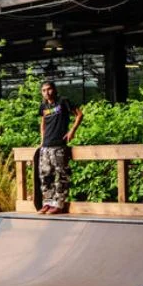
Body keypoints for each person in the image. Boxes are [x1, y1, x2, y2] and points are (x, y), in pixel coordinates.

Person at [38, 81, 83, 215]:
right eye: (44, 90)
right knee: (45, 176)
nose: (47, 92)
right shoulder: (43, 106)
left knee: (61, 175)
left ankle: (59, 204)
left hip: (59, 145)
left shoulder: (63, 101)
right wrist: (42, 141)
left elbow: (79, 114)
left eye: (49, 89)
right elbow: (43, 124)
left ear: (54, 89)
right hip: (46, 146)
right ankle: (47, 203)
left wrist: (72, 131)